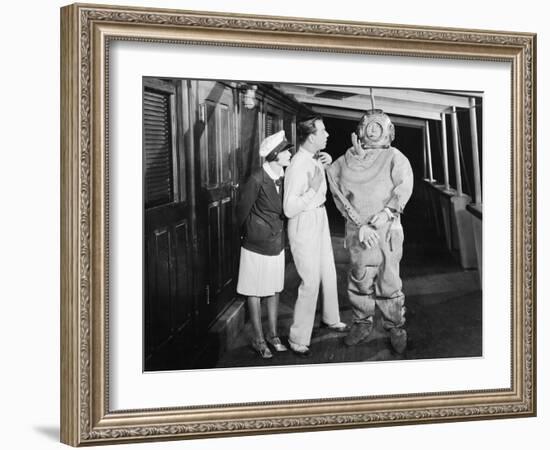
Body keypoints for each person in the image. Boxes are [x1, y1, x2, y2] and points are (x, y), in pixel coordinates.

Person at [326, 109, 413, 353]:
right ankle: (362, 324)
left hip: (386, 232)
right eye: (369, 126)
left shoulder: (395, 157)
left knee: (389, 280)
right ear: (360, 130)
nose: (373, 130)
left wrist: (386, 213)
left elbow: (404, 186)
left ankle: (395, 326)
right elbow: (337, 191)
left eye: (379, 126)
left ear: (389, 131)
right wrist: (359, 224)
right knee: (359, 279)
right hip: (359, 233)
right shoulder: (344, 161)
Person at [283, 115, 348, 357]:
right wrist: (311, 189)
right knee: (310, 281)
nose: (328, 135)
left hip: (319, 217)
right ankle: (297, 338)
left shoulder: (315, 159)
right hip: (304, 221)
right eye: (323, 131)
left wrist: (328, 165)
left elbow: (326, 184)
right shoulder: (298, 164)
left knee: (328, 272)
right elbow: (289, 208)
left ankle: (331, 318)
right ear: (311, 137)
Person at [236, 130, 293, 359]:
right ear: (276, 154)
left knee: (273, 289)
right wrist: (251, 234)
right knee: (254, 291)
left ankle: (272, 334)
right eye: (287, 151)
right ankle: (258, 339)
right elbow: (241, 212)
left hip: (277, 243)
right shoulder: (257, 178)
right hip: (256, 245)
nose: (290, 154)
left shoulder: (284, 176)